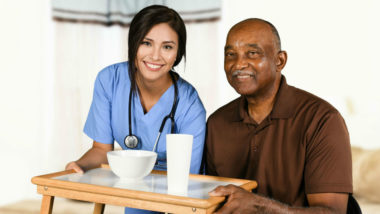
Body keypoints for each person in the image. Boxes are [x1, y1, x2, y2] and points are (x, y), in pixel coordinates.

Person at [65, 5, 206, 214]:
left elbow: (188, 180)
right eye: (146, 43)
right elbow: (102, 151)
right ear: (133, 44)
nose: (155, 56)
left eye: (167, 47)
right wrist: (79, 165)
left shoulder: (190, 104)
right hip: (136, 188)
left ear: (177, 53)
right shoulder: (109, 80)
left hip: (181, 196)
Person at [205, 18, 354, 213]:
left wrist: (260, 206)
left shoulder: (322, 120)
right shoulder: (217, 123)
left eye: (252, 53)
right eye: (231, 54)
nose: (238, 64)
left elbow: (333, 213)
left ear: (280, 60)